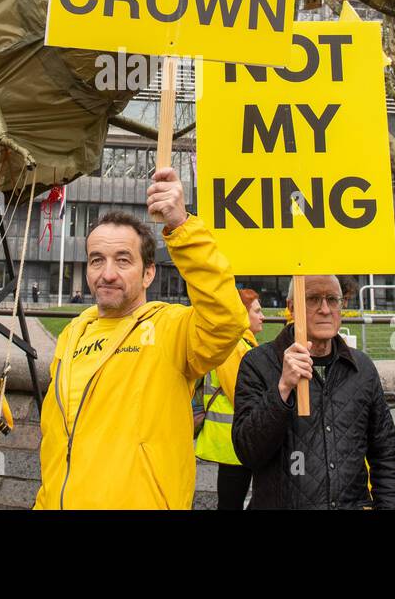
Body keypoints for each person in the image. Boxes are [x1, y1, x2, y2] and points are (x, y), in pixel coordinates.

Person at [33, 167, 247, 509]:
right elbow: (57, 441)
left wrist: (181, 227)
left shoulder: (170, 328)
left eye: (123, 260)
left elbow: (226, 319)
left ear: (148, 272)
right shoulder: (73, 334)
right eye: (96, 260)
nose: (107, 274)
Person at [232, 274, 395, 510]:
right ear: (292, 307)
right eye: (313, 299)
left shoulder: (362, 368)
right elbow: (248, 451)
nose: (325, 309)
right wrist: (282, 389)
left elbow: (386, 453)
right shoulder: (258, 363)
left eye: (333, 300)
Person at [195, 288, 263, 509]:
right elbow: (241, 394)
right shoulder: (234, 346)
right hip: (232, 442)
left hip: (236, 439)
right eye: (257, 311)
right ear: (242, 314)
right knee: (231, 502)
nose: (262, 316)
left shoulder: (244, 344)